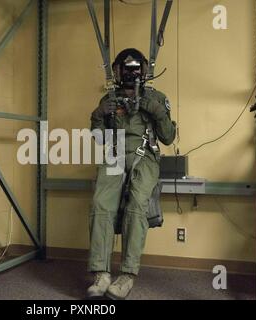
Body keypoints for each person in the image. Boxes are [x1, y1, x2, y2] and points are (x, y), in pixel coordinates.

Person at [87, 48, 176, 300]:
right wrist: (98, 114)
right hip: (114, 156)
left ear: (144, 71)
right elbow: (97, 138)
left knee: (137, 205)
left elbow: (168, 138)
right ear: (117, 71)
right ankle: (101, 273)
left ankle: (127, 275)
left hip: (144, 156)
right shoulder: (108, 100)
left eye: (135, 68)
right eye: (125, 69)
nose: (130, 73)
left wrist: (157, 111)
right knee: (100, 204)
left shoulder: (157, 98)